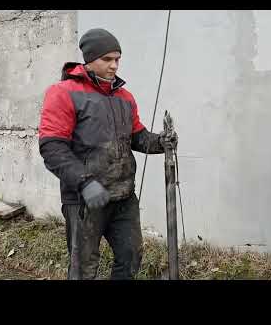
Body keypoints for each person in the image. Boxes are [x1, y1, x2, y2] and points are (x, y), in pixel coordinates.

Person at [38, 28, 177, 280]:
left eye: (117, 59)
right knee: (84, 269)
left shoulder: (125, 97)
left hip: (123, 197)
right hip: (84, 201)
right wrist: (85, 182)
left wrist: (161, 141)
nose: (114, 65)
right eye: (107, 59)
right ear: (89, 59)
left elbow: (137, 137)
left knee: (131, 257)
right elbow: (52, 148)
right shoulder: (63, 92)